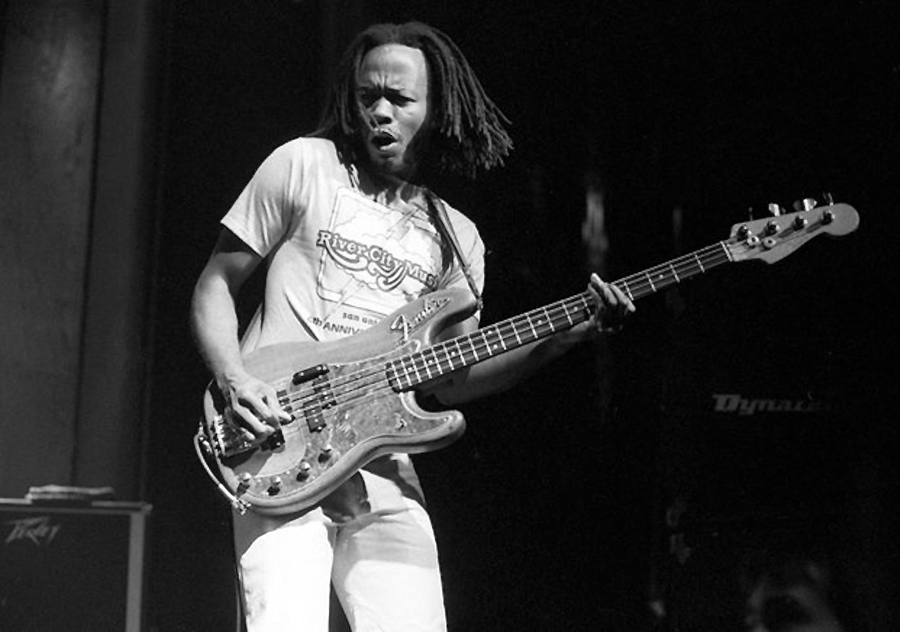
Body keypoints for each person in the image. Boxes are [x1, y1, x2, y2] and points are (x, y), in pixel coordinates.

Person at [190, 20, 634, 631]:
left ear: (437, 110)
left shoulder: (457, 237)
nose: (379, 111)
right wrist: (235, 378)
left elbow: (451, 379)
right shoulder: (303, 164)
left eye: (399, 99)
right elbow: (215, 285)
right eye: (368, 96)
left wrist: (563, 338)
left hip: (382, 462)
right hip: (280, 441)